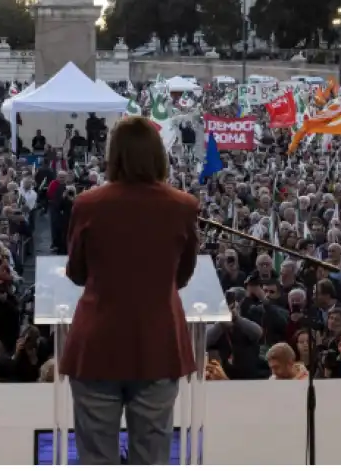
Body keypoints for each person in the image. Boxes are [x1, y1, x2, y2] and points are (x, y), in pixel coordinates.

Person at [60, 115, 198, 466]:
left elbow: (77, 273)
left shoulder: (88, 204)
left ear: (114, 155)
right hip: (158, 343)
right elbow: (182, 276)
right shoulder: (183, 206)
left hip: (97, 344)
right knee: (152, 455)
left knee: (95, 456)